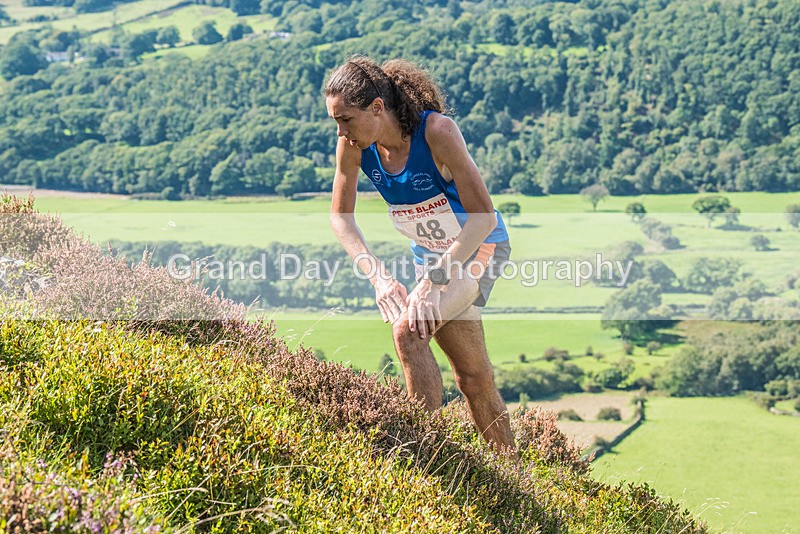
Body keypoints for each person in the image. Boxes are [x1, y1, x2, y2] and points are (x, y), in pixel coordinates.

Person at [323, 55, 516, 454]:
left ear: (377, 108)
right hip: (432, 256)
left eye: (346, 119)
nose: (340, 131)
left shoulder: (438, 133)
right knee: (472, 378)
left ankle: (420, 462)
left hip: (481, 245)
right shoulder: (356, 146)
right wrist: (378, 277)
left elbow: (482, 216)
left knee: (408, 332)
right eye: (335, 121)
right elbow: (341, 217)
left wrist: (434, 280)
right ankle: (515, 473)